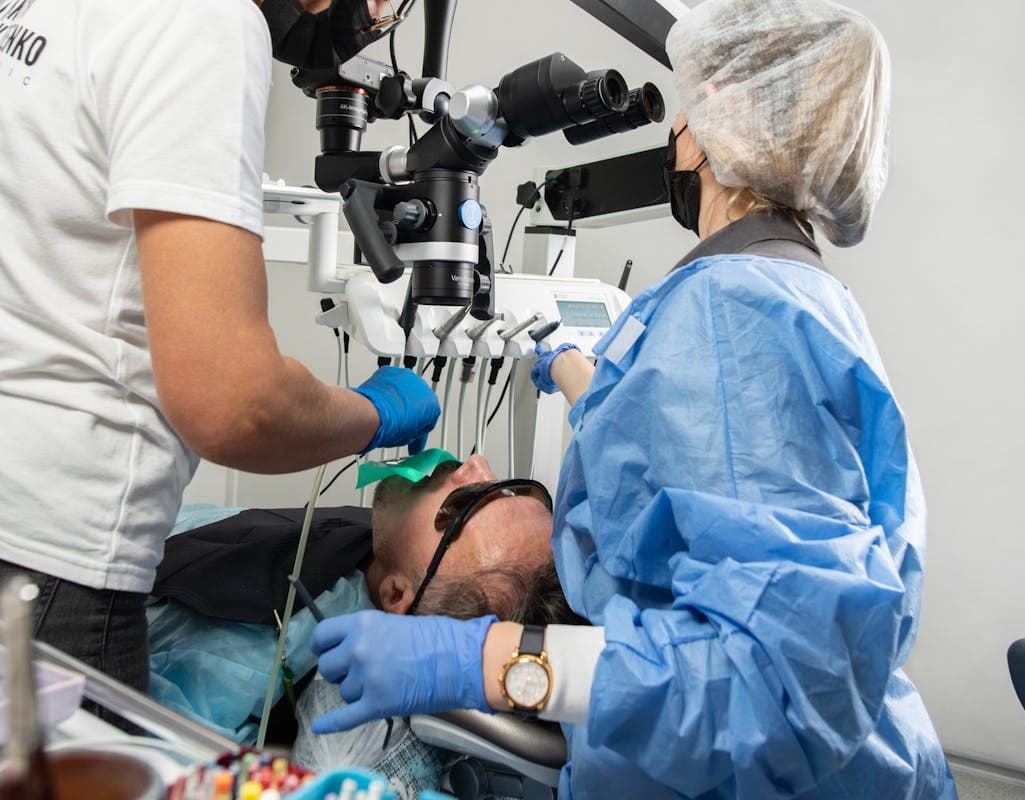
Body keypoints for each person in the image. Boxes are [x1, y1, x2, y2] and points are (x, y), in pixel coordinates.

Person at [306, 1, 960, 798]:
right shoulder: (790, 301)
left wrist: (481, 660)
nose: (676, 134)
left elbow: (778, 690)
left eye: (687, 114)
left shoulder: (731, 316)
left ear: (718, 133)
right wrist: (588, 379)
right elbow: (700, 472)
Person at [0, 0, 433, 696]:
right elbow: (235, 405)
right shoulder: (204, 19)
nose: (367, 15)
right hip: (40, 569)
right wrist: (372, 413)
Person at [144, 453, 572, 798]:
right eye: (516, 487)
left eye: (458, 508)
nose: (476, 462)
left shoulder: (257, 652)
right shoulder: (385, 543)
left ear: (396, 596)